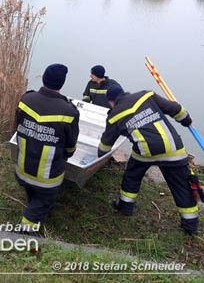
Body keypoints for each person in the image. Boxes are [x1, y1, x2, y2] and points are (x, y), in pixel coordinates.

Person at [98, 84, 198, 235]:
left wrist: (99, 155)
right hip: (173, 148)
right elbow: (176, 109)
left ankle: (125, 207)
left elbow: (106, 144)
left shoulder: (114, 115)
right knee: (181, 186)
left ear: (111, 102)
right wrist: (187, 120)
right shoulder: (146, 95)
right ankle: (190, 227)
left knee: (132, 176)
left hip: (145, 152)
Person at [15, 64, 79, 234]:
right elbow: (70, 147)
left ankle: (33, 202)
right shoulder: (68, 111)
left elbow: (17, 128)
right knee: (42, 202)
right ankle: (26, 231)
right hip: (47, 179)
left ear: (43, 79)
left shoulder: (25, 100)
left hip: (22, 169)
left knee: (34, 194)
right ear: (61, 84)